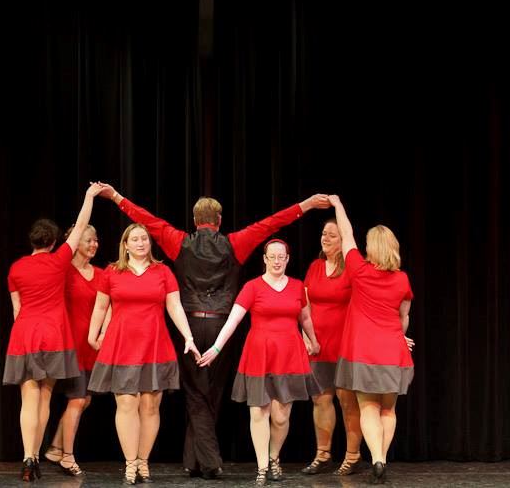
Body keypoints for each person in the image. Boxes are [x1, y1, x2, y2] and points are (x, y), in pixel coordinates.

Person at [96, 183, 329, 478]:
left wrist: (117, 197)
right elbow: (271, 223)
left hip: (190, 323)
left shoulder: (179, 241)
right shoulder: (235, 242)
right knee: (211, 392)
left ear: (195, 221)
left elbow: (151, 221)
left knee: (196, 394)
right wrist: (305, 204)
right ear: (219, 221)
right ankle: (207, 461)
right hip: (221, 324)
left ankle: (197, 460)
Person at [3, 182, 105, 482]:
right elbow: (82, 224)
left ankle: (28, 457)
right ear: (53, 241)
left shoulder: (16, 268)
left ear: (32, 241)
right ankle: (35, 456)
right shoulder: (60, 260)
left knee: (28, 400)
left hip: (24, 335)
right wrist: (88, 196)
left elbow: (17, 310)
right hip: (53, 336)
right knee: (45, 397)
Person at [199, 239, 321, 486]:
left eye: (281, 257)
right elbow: (233, 321)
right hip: (259, 354)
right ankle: (263, 467)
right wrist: (216, 347)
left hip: (289, 354)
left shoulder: (298, 287)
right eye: (272, 257)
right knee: (258, 411)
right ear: (264, 259)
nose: (276, 261)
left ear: (287, 259)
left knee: (281, 416)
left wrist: (313, 340)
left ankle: (274, 457)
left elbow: (305, 318)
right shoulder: (252, 287)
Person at [87, 223, 201, 485]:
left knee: (150, 406)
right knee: (126, 403)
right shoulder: (112, 272)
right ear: (125, 245)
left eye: (144, 239)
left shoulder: (163, 272)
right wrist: (93, 335)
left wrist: (189, 337)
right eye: (135, 239)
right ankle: (129, 464)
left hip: (155, 344)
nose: (140, 243)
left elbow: (175, 307)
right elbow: (100, 306)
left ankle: (142, 460)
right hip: (122, 345)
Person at [330, 195, 414, 485]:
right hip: (393, 351)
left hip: (364, 352)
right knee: (388, 409)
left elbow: (346, 234)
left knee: (368, 407)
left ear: (371, 248)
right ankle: (382, 458)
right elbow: (403, 318)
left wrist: (338, 205)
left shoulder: (359, 270)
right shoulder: (402, 280)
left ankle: (376, 457)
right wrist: (402, 338)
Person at [300, 219, 364, 476]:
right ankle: (323, 454)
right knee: (321, 399)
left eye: (332, 235)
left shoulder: (352, 269)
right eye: (323, 234)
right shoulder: (315, 267)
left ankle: (353, 456)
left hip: (346, 344)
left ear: (343, 240)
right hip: (318, 345)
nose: (325, 238)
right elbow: (303, 305)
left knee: (347, 401)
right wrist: (306, 336)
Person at [43, 224, 109, 476]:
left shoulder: (102, 274)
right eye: (89, 240)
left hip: (92, 347)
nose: (94, 244)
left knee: (85, 400)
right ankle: (67, 456)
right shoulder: (63, 272)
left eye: (96, 240)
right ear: (75, 242)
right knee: (77, 399)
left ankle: (55, 447)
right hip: (69, 346)